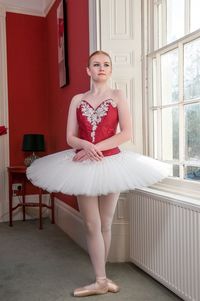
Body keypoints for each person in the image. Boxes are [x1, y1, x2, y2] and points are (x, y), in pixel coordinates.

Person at [27, 50, 169, 297]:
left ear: (111, 70)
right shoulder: (77, 99)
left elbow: (126, 133)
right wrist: (83, 146)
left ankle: (101, 279)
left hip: (112, 163)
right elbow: (70, 136)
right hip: (82, 166)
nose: (101, 68)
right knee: (91, 225)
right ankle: (101, 279)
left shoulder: (118, 95)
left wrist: (94, 147)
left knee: (105, 222)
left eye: (106, 64)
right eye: (96, 64)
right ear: (88, 70)